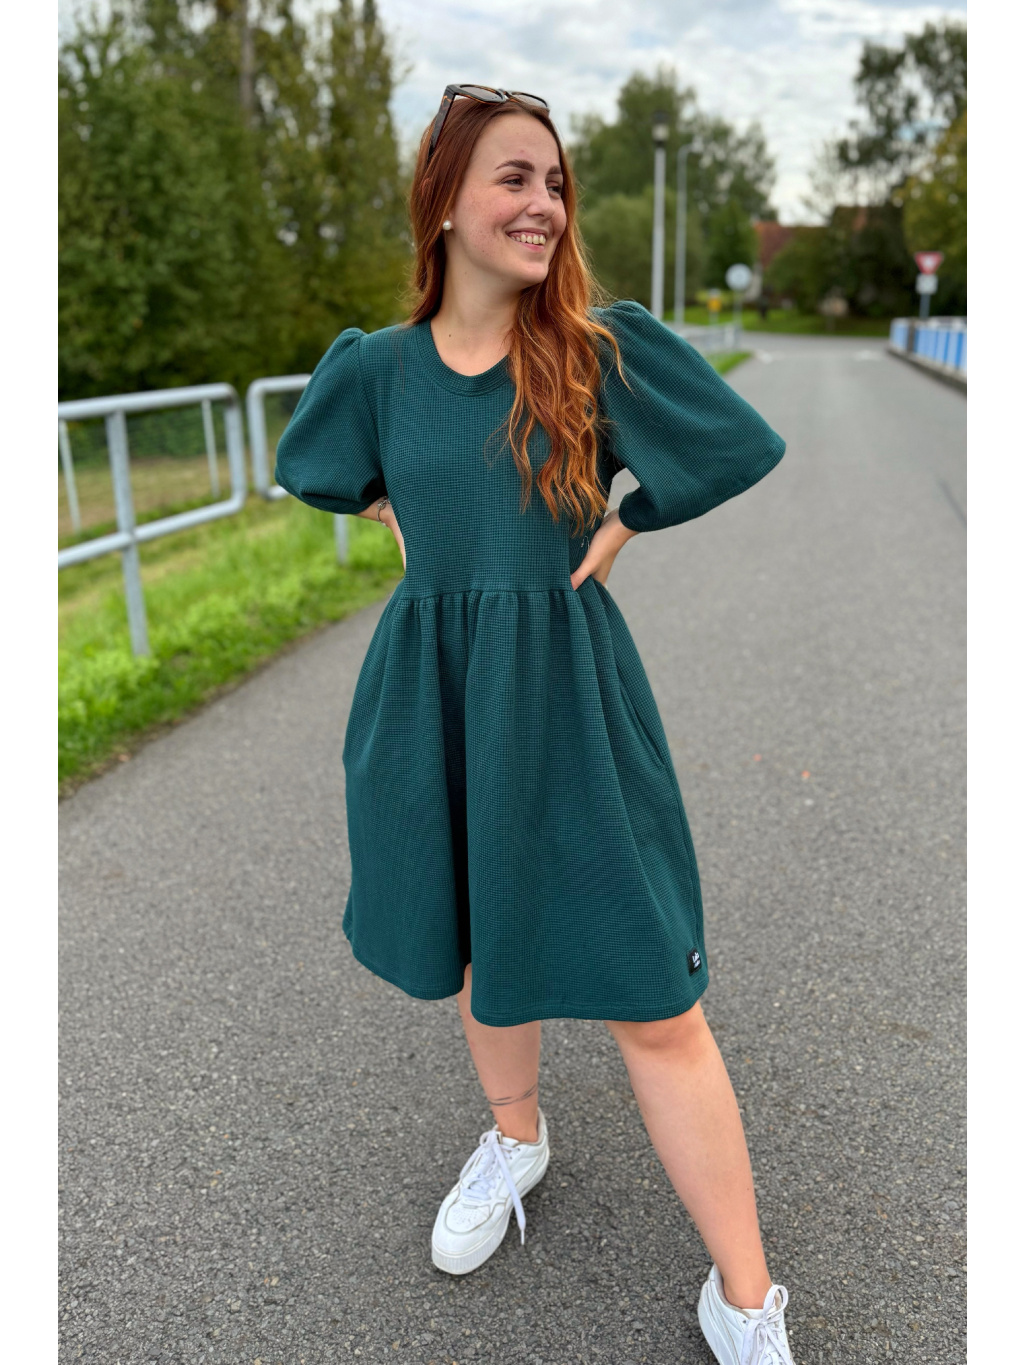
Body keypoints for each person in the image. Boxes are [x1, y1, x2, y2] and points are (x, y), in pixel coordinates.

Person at [275, 85, 794, 1365]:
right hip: (430, 700)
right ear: (444, 201)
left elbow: (732, 443)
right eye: (514, 178)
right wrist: (397, 512)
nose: (544, 205)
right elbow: (313, 463)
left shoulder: (592, 350)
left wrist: (623, 522)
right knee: (474, 938)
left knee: (654, 997)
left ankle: (744, 1299)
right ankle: (515, 1138)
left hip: (568, 695)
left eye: (555, 184)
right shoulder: (376, 370)